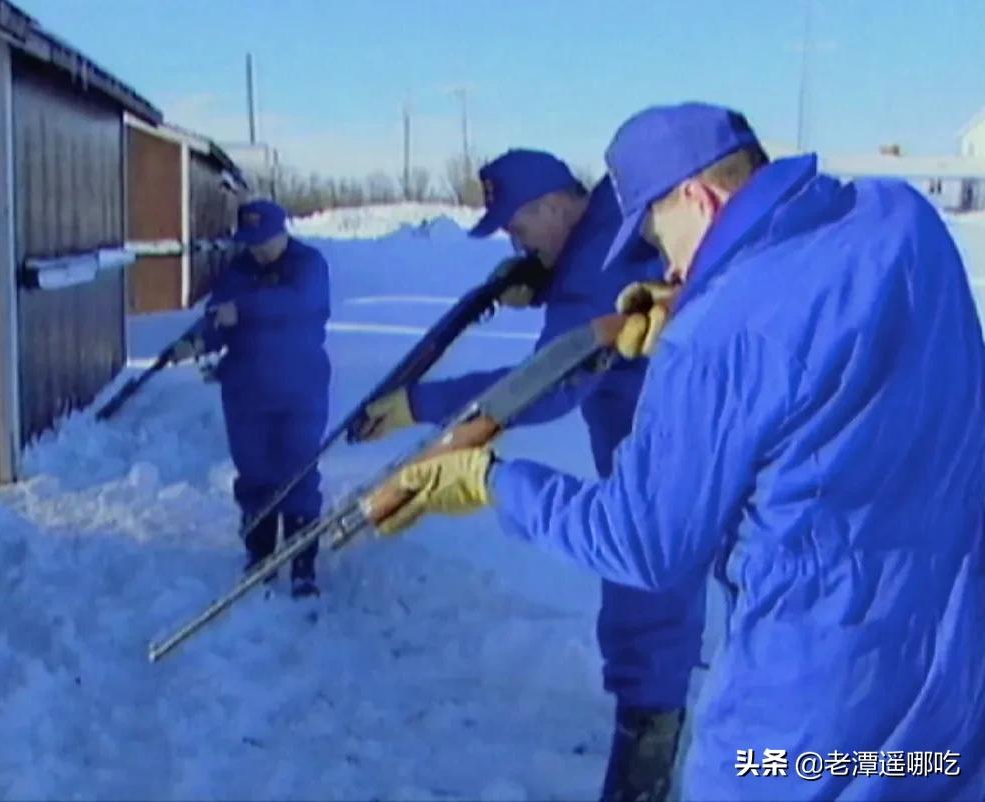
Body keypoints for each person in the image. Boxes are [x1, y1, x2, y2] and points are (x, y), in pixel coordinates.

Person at [373, 103, 985, 800]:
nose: (666, 261)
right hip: (952, 679)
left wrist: (492, 482)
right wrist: (699, 294)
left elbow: (643, 543)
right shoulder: (902, 218)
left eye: (660, 235)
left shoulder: (714, 338)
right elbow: (815, 317)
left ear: (699, 197)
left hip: (807, 706)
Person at [353, 149, 701, 802]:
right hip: (665, 446)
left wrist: (420, 404)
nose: (518, 244)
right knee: (654, 596)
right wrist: (546, 279)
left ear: (554, 205)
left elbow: (544, 388)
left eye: (520, 228)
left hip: (668, 456)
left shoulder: (592, 267)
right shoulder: (609, 226)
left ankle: (646, 775)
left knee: (648, 602)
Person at [175, 198, 331, 598]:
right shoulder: (238, 270)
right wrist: (198, 340)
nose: (257, 249)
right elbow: (218, 316)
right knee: (254, 472)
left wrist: (242, 310)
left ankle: (302, 563)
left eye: (263, 240)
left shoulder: (309, 265)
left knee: (298, 470)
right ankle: (259, 554)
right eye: (250, 241)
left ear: (282, 232)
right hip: (246, 389)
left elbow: (300, 303)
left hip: (300, 385)